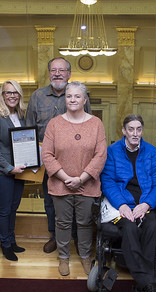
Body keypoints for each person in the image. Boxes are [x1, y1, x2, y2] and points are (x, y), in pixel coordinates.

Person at [26, 57, 91, 254]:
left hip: (76, 160)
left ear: (69, 74)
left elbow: (89, 125)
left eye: (61, 70)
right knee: (51, 202)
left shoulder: (78, 94)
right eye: (53, 70)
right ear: (49, 73)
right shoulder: (37, 97)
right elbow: (29, 129)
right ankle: (55, 236)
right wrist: (29, 160)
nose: (57, 73)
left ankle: (77, 238)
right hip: (48, 161)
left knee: (77, 200)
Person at [41, 81, 106, 276]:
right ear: (65, 100)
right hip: (61, 184)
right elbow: (47, 155)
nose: (73, 99)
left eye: (77, 96)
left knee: (85, 222)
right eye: (69, 96)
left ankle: (85, 255)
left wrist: (82, 178)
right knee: (62, 222)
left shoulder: (96, 124)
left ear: (85, 100)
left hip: (87, 185)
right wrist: (66, 178)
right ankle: (63, 257)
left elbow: (100, 155)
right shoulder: (54, 124)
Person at [100, 114, 156, 292]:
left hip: (145, 204)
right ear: (124, 131)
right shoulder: (112, 151)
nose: (135, 133)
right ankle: (147, 283)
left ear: (142, 131)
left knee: (153, 226)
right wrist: (122, 205)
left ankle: (143, 283)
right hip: (121, 206)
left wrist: (146, 205)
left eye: (138, 129)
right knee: (129, 228)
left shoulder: (152, 152)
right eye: (131, 129)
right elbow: (107, 182)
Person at [0, 80, 27, 261]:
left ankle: (12, 240)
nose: (12, 96)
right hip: (3, 172)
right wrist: (10, 169)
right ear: (2, 95)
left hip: (21, 170)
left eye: (15, 92)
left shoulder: (21, 116)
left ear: (20, 95)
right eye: (8, 92)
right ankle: (5, 245)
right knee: (4, 210)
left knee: (14, 207)